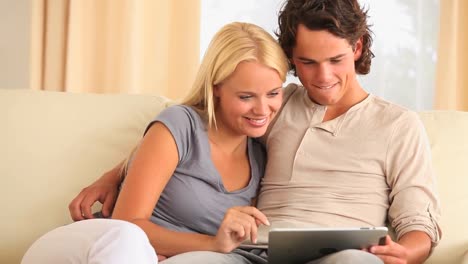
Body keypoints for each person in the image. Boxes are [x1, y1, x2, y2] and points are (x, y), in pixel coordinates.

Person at [54, 1, 442, 264]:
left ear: (357, 48)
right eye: (307, 62)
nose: (322, 78)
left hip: (340, 255)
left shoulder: (398, 125)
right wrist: (116, 174)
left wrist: (408, 253)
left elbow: (419, 224)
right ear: (291, 58)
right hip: (250, 253)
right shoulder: (277, 104)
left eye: (336, 60)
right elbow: (198, 129)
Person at [21, 22, 289, 264]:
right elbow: (127, 222)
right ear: (216, 87)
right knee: (129, 240)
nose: (262, 109)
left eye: (273, 93)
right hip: (89, 248)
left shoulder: (260, 155)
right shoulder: (181, 125)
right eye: (246, 97)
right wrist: (211, 244)